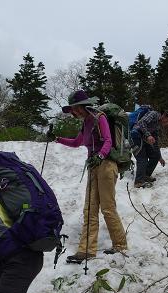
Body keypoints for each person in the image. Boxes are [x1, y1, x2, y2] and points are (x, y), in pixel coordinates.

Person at [50, 89, 127, 263]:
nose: (74, 112)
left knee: (107, 207)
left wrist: (100, 155)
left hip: (106, 165)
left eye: (75, 108)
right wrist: (56, 138)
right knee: (90, 209)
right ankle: (86, 250)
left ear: (83, 106)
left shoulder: (99, 118)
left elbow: (107, 140)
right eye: (72, 109)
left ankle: (120, 245)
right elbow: (77, 142)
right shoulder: (85, 123)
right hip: (93, 167)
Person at [130, 109, 168, 188]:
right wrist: (148, 135)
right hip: (135, 136)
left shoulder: (157, 126)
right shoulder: (153, 114)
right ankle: (139, 182)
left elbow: (155, 142)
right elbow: (141, 123)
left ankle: (146, 175)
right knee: (142, 158)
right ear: (164, 115)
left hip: (143, 139)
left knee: (155, 155)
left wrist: (160, 157)